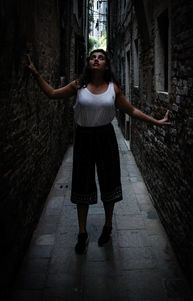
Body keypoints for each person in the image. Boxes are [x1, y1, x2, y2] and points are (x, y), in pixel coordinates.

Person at [27, 49, 170, 254]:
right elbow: (52, 94)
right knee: (82, 183)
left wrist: (156, 121)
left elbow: (132, 111)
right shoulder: (78, 86)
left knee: (109, 182)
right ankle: (82, 233)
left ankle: (108, 226)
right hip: (84, 137)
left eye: (100, 57)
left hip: (106, 137)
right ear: (89, 62)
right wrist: (36, 74)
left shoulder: (114, 89)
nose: (96, 59)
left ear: (106, 65)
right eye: (93, 57)